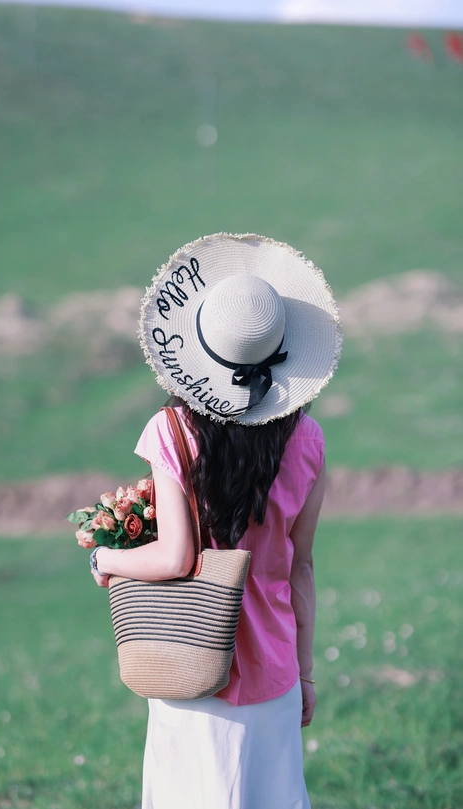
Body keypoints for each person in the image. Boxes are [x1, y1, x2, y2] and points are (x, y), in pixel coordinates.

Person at [89, 233, 342, 809]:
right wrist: (305, 675)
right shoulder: (308, 438)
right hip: (274, 671)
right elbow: (300, 566)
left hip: (192, 664)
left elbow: (175, 557)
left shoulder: (170, 431)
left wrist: (105, 558)